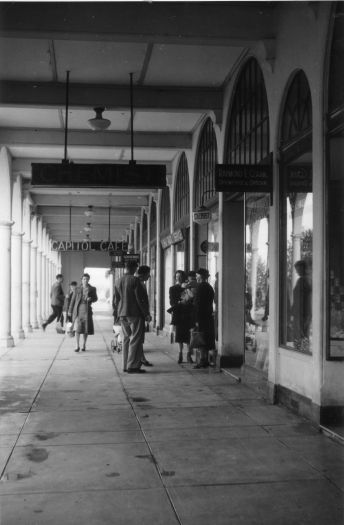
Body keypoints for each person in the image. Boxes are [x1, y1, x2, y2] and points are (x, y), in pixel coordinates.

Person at [113, 260, 150, 373]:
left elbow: (115, 301)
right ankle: (133, 366)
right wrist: (146, 313)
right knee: (135, 339)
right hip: (134, 313)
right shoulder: (135, 280)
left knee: (126, 339)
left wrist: (117, 314)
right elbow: (140, 299)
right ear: (134, 268)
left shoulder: (118, 281)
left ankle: (125, 365)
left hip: (122, 314)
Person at [68, 273, 98, 352]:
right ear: (81, 280)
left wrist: (90, 299)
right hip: (78, 311)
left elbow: (96, 298)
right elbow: (72, 300)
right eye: (84, 279)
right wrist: (70, 311)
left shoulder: (92, 289)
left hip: (87, 311)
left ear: (89, 280)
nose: (85, 280)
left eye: (87, 279)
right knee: (77, 329)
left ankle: (84, 344)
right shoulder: (77, 289)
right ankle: (77, 345)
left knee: (86, 329)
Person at [192, 268, 216, 369]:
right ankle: (205, 359)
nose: (196, 278)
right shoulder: (209, 287)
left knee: (201, 339)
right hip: (208, 316)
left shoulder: (200, 287)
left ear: (200, 277)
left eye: (197, 276)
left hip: (201, 317)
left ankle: (202, 360)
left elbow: (198, 304)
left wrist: (196, 319)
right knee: (206, 338)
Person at [291, 260, 312, 351]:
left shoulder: (304, 281)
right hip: (302, 313)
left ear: (303, 268)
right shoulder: (306, 280)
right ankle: (302, 350)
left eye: (298, 269)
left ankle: (301, 351)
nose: (296, 272)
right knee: (302, 334)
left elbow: (304, 299)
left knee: (301, 334)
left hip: (302, 314)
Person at [136, 265, 153, 367]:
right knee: (138, 338)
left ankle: (141, 358)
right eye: (148, 274)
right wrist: (146, 314)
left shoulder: (141, 283)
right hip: (138, 314)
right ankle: (139, 359)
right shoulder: (138, 283)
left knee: (139, 338)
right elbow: (140, 300)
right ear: (144, 274)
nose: (149, 276)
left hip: (139, 314)